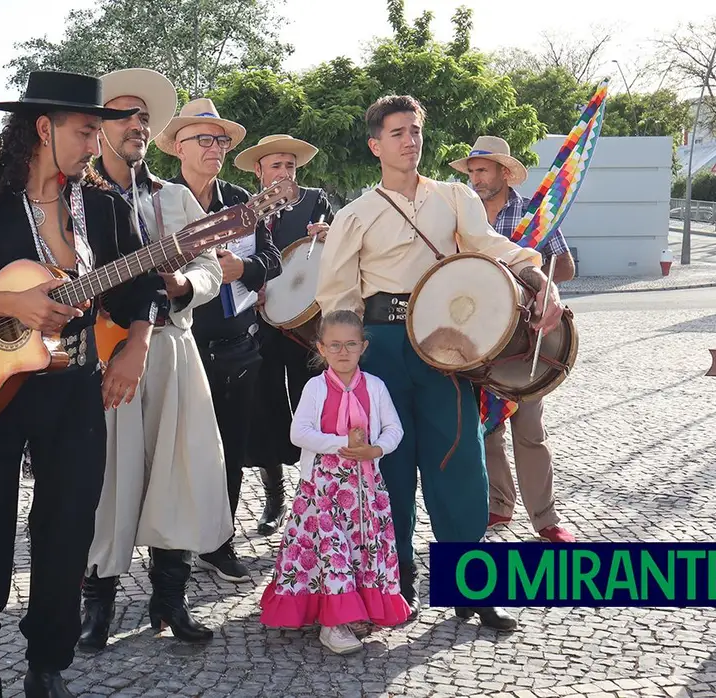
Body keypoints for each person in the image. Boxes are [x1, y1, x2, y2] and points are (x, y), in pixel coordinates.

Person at [0, 71, 165, 698]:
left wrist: (136, 343)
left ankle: (48, 661)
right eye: (83, 130)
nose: (92, 142)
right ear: (44, 129)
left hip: (71, 384)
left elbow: (143, 287)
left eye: (96, 130)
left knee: (69, 522)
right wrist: (5, 303)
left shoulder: (102, 207)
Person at [316, 95, 565, 631]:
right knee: (388, 470)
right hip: (379, 347)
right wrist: (343, 371)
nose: (411, 140)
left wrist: (538, 275)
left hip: (446, 344)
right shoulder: (353, 215)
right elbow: (338, 297)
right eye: (398, 132)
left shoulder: (454, 197)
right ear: (375, 144)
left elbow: (488, 246)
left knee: (460, 465)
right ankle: (394, 583)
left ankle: (471, 588)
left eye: (416, 130)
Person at [79, 68, 228, 652]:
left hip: (171, 345)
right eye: (125, 116)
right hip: (103, 350)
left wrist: (183, 284)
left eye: (144, 117)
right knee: (106, 476)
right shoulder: (78, 197)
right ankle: (98, 602)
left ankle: (170, 599)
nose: (138, 125)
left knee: (180, 473)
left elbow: (212, 269)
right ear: (100, 127)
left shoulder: (174, 198)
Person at [159, 98, 282, 583]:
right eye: (204, 140)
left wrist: (243, 268)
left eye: (221, 140)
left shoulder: (239, 201)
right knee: (173, 452)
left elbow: (272, 259)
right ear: (178, 148)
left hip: (236, 346)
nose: (216, 149)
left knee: (228, 450)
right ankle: (170, 553)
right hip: (176, 344)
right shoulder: (159, 201)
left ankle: (221, 542)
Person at [260, 309, 411, 654]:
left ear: (363, 347)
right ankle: (334, 624)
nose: (343, 352)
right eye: (335, 345)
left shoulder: (375, 387)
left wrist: (376, 448)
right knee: (331, 551)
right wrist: (339, 446)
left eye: (351, 345)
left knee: (360, 550)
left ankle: (355, 609)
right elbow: (299, 433)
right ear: (321, 348)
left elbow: (394, 428)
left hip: (365, 490)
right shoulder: (315, 388)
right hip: (322, 489)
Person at [451, 135, 576, 544]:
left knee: (529, 429)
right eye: (471, 171)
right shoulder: (461, 215)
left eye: (482, 170)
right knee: (485, 427)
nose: (475, 179)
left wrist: (528, 280)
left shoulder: (534, 215)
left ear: (505, 173)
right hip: (478, 336)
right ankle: (498, 506)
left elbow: (566, 267)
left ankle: (545, 519)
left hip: (526, 340)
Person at [233, 134, 333, 535]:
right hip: (261, 327)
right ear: (259, 172)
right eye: (276, 166)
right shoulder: (243, 211)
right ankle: (274, 499)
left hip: (307, 328)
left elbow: (337, 250)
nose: (285, 173)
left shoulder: (315, 201)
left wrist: (330, 234)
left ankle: (316, 500)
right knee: (266, 411)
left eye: (290, 166)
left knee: (315, 410)